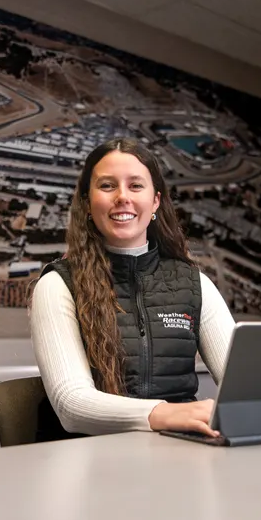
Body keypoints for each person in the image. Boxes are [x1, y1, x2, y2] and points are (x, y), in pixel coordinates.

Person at [29, 137, 235, 440]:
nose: (122, 196)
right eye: (107, 186)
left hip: (178, 457)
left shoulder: (194, 284)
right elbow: (70, 404)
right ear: (87, 202)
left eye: (136, 186)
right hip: (89, 463)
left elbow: (244, 385)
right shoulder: (57, 285)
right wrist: (164, 414)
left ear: (155, 202)